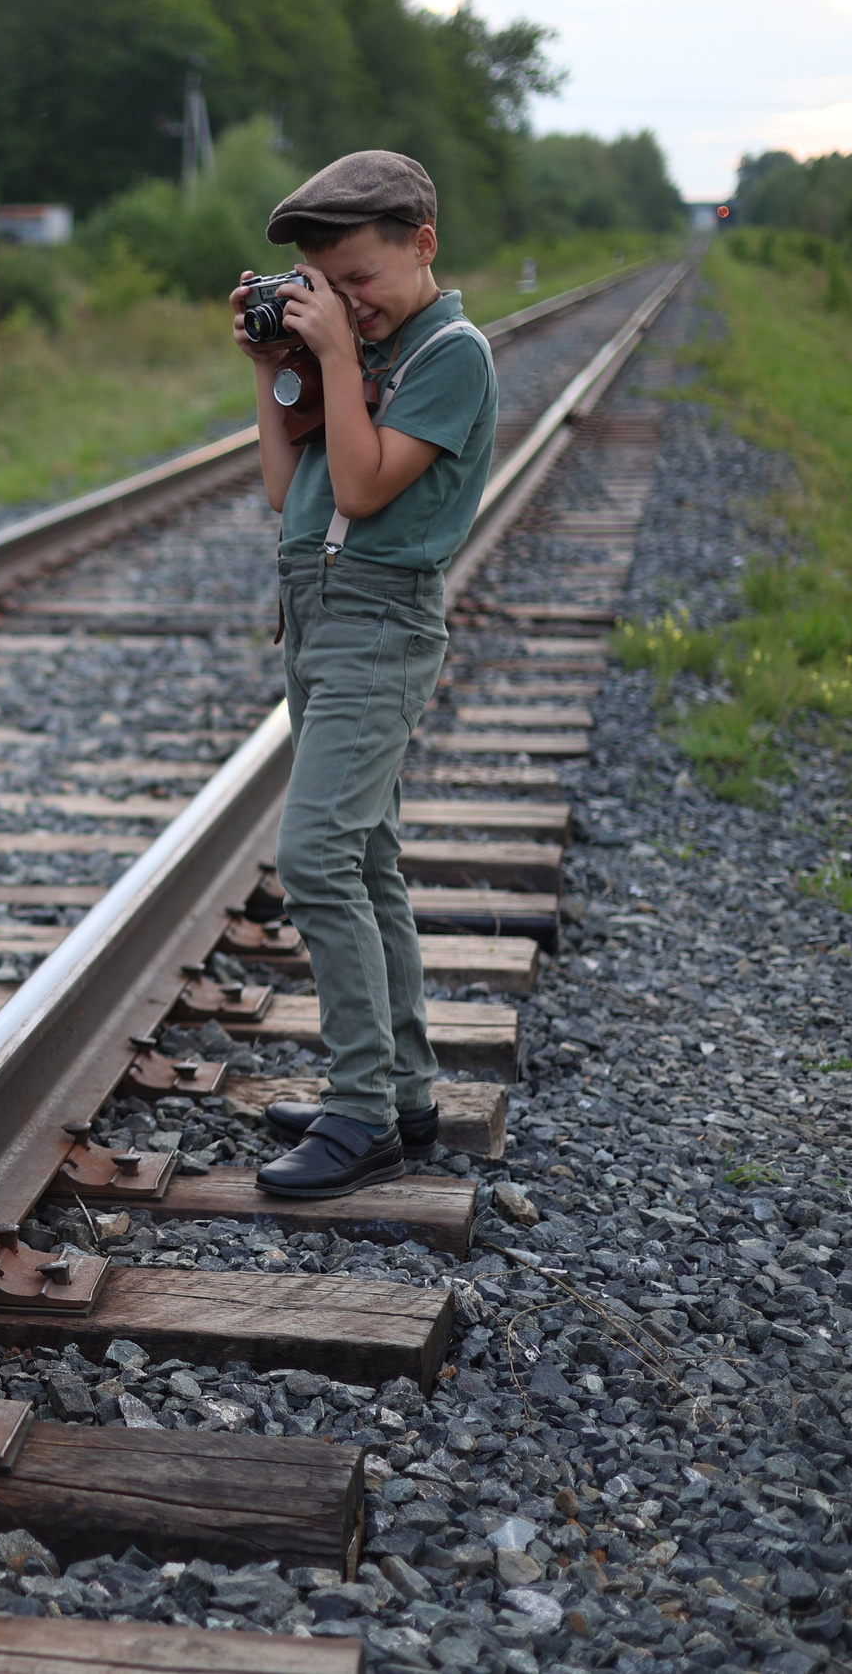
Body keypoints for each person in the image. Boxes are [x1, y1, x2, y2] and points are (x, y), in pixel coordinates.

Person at [228, 151, 498, 1200]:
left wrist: (338, 356)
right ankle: (403, 1092)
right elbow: (285, 486)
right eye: (323, 288)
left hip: (380, 625)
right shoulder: (362, 344)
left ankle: (358, 1117)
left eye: (361, 281)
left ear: (422, 243)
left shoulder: (450, 354)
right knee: (368, 855)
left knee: (317, 856)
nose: (347, 304)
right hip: (316, 615)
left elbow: (362, 483)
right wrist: (272, 365)